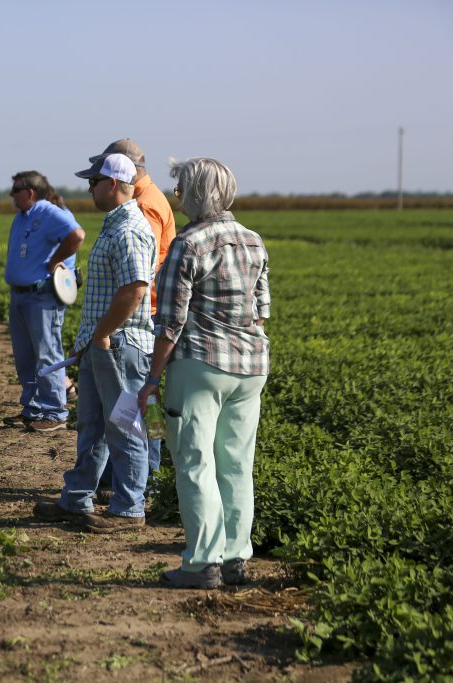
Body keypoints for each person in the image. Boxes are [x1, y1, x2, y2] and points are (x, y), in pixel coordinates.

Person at [137, 157, 271, 589]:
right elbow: (261, 313)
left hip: (200, 366)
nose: (176, 197)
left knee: (195, 462)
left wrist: (153, 377)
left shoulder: (188, 243)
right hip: (250, 367)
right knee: (236, 463)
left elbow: (171, 322)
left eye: (180, 190)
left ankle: (201, 563)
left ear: (194, 194)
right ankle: (235, 557)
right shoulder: (254, 241)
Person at [33, 153, 157, 533]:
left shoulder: (131, 228)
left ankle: (129, 508)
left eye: (94, 181)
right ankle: (77, 498)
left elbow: (134, 290)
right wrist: (88, 338)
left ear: (116, 184)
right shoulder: (114, 225)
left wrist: (102, 333)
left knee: (124, 427)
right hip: (101, 344)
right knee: (92, 427)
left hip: (120, 345)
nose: (89, 188)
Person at [90, 139, 176, 490]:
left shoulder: (145, 206)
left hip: (145, 315)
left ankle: (150, 472)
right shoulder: (148, 197)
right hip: (149, 312)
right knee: (148, 397)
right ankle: (150, 469)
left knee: (142, 399)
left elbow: (141, 271)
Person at [2, 170, 85, 432]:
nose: (11, 196)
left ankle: (55, 412)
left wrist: (54, 261)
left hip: (41, 296)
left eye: (15, 190)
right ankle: (33, 409)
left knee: (47, 354)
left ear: (30, 192)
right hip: (21, 295)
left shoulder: (48, 211)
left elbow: (76, 235)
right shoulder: (23, 215)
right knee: (25, 357)